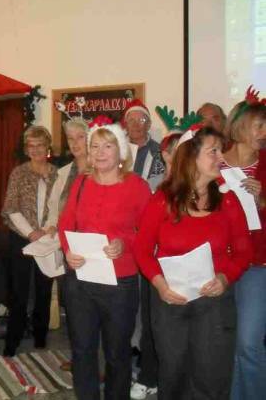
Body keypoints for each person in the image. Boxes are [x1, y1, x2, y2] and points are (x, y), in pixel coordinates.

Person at [135, 126, 253, 400]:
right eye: (213, 151)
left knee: (212, 377)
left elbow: (243, 252)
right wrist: (160, 285)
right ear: (191, 156)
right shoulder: (162, 199)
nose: (220, 157)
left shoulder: (228, 200)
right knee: (173, 374)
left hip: (214, 304)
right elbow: (142, 250)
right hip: (169, 302)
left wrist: (225, 278)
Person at [58, 115, 151, 400]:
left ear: (120, 151)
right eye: (94, 146)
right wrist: (68, 250)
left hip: (119, 283)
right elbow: (65, 224)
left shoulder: (137, 186)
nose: (99, 153)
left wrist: (125, 244)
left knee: (117, 353)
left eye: (107, 146)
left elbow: (147, 233)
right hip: (80, 280)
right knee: (82, 350)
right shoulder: (81, 184)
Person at [221, 88, 266, 400]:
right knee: (225, 342)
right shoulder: (213, 160)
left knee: (249, 342)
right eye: (259, 126)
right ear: (239, 126)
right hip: (215, 262)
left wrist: (261, 198)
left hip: (256, 263)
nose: (264, 133)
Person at [1, 126, 58, 357]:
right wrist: (30, 233)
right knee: (19, 292)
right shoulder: (18, 173)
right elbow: (11, 207)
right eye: (30, 146)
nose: (35, 149)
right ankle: (12, 340)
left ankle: (40, 338)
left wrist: (48, 229)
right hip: (21, 238)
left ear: (48, 148)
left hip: (49, 239)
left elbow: (61, 205)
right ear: (26, 149)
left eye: (40, 145)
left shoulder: (58, 173)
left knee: (44, 290)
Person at [123, 100, 163, 399]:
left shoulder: (160, 152)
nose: (137, 124)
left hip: (148, 231)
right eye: (132, 120)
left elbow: (158, 186)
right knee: (129, 297)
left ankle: (144, 354)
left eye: (141, 120)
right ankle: (131, 352)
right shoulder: (118, 149)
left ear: (148, 123)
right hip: (123, 232)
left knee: (146, 297)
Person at [43, 118, 89, 371]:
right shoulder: (63, 173)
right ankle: (78, 357)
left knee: (95, 309)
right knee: (73, 305)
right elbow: (54, 207)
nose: (75, 143)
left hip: (95, 249)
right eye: (71, 139)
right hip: (68, 246)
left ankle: (95, 358)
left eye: (80, 137)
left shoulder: (100, 168)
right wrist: (51, 225)